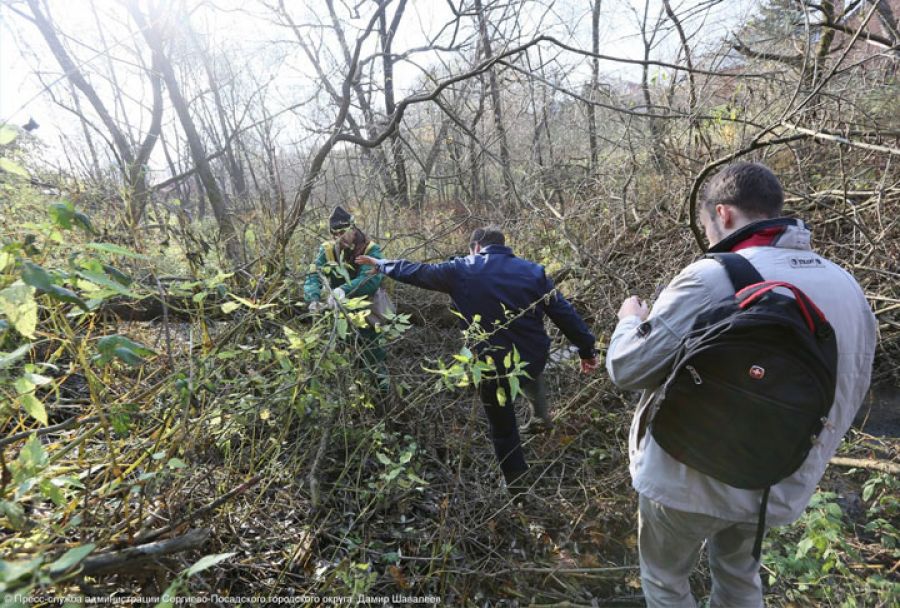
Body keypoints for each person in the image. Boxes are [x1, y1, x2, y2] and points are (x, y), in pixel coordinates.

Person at [606, 162, 876, 607]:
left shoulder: (712, 276)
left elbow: (627, 367)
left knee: (665, 581)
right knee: (738, 580)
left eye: (706, 225)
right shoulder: (846, 286)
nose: (709, 237)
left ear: (724, 214)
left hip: (684, 479)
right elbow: (850, 388)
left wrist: (630, 321)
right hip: (776, 480)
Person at [357, 227, 599, 493]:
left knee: (504, 428)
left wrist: (382, 265)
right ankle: (541, 417)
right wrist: (587, 349)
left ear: (476, 247)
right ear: (504, 247)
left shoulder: (461, 269)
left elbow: (417, 272)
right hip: (532, 357)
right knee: (530, 370)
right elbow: (564, 314)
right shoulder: (534, 272)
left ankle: (517, 487)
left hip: (489, 366)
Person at [304, 206, 389, 397]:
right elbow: (313, 274)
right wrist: (313, 298)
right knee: (346, 357)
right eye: (335, 233)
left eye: (343, 232)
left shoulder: (370, 249)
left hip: (368, 310)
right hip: (339, 315)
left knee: (373, 356)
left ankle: (383, 399)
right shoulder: (326, 251)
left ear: (353, 228)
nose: (339, 237)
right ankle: (355, 395)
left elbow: (371, 279)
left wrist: (344, 290)